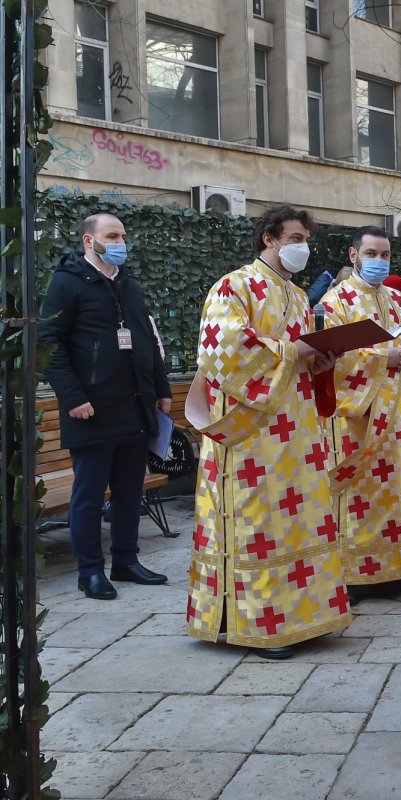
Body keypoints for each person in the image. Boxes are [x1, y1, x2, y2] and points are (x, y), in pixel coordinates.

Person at [186, 206, 349, 659]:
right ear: (269, 239)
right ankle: (255, 621)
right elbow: (221, 350)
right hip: (251, 429)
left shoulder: (298, 297)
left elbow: (298, 356)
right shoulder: (234, 285)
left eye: (305, 238)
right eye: (295, 236)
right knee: (256, 517)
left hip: (295, 428)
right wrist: (291, 351)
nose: (303, 246)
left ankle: (302, 614)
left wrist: (319, 361)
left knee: (297, 517)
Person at [40, 212, 172, 600]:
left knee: (130, 492)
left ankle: (126, 561)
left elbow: (148, 338)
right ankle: (90, 572)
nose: (120, 242)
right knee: (90, 494)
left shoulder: (128, 283)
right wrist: (74, 397)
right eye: (112, 235)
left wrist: (161, 388)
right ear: (88, 241)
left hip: (135, 408)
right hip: (91, 410)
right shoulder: (66, 283)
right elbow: (49, 345)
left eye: (123, 235)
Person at [319, 226, 401, 600]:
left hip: (396, 411)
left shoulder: (398, 300)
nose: (379, 262)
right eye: (371, 254)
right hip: (357, 415)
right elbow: (332, 356)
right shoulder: (336, 302)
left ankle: (399, 569)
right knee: (360, 491)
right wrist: (385, 357)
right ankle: (355, 573)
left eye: (384, 255)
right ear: (354, 255)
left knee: (397, 487)